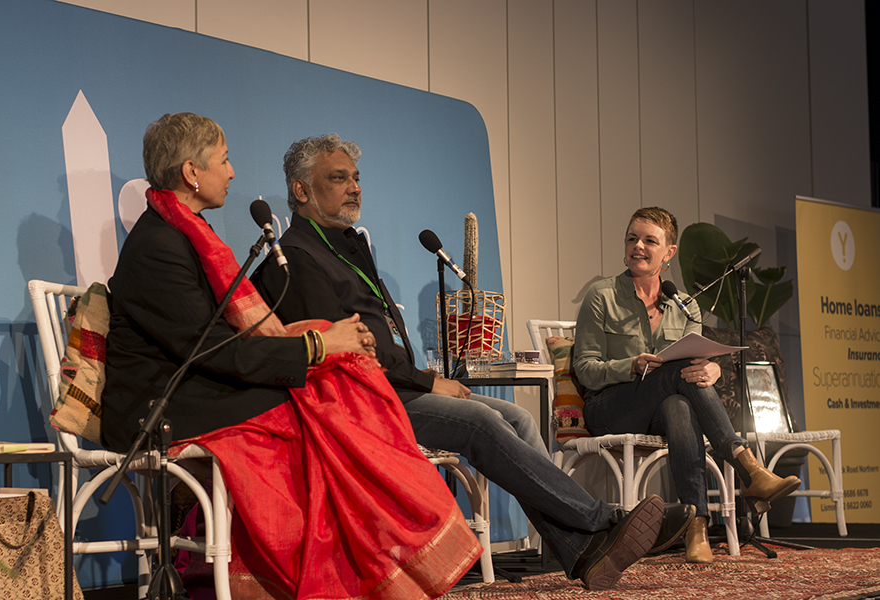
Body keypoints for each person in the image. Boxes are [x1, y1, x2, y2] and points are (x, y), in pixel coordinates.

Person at [251, 134, 695, 591]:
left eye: (357, 178)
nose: (354, 187)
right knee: (480, 421)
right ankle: (602, 520)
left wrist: (423, 380)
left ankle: (582, 552)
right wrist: (426, 382)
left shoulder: (343, 245)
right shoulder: (298, 259)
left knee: (519, 417)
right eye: (338, 178)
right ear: (301, 190)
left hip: (394, 388)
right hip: (363, 401)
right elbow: (346, 349)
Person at [101, 113, 485, 600]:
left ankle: (379, 556)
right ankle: (349, 566)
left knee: (334, 386)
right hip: (161, 406)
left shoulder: (186, 232)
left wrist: (325, 343)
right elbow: (212, 349)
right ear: (191, 172)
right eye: (224, 160)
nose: (233, 172)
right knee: (318, 410)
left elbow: (224, 344)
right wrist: (321, 345)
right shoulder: (160, 245)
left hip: (199, 386)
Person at [572, 206, 802, 564]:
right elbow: (586, 370)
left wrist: (711, 370)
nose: (638, 246)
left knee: (679, 404)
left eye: (650, 240)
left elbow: (694, 367)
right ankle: (748, 467)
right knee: (675, 373)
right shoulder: (602, 295)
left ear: (669, 253)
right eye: (632, 238)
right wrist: (630, 364)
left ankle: (696, 524)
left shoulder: (686, 306)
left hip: (660, 408)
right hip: (610, 407)